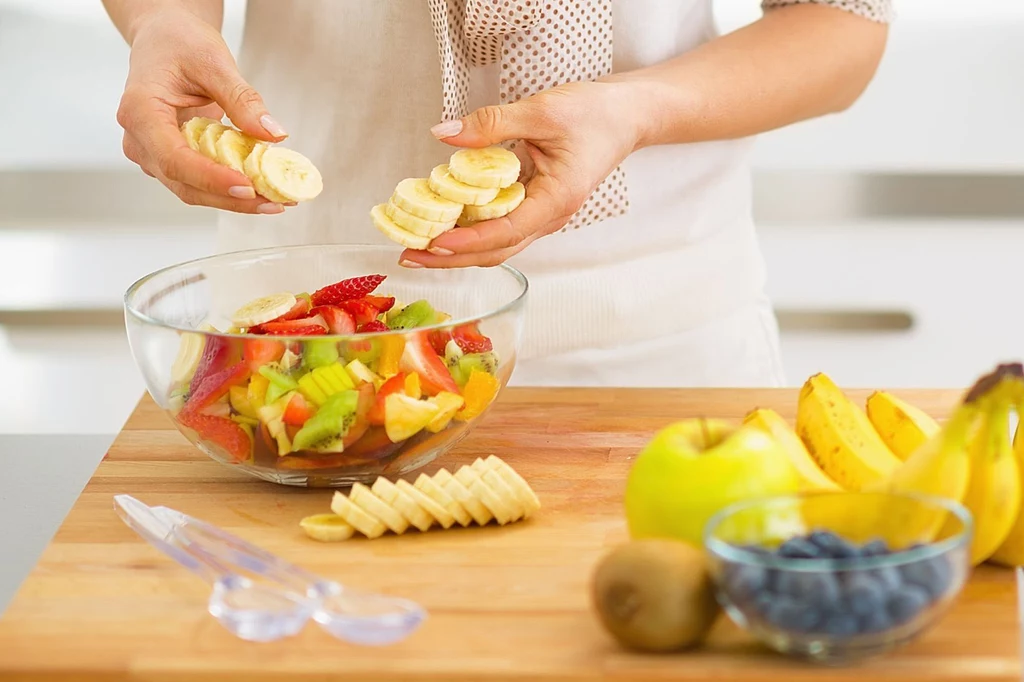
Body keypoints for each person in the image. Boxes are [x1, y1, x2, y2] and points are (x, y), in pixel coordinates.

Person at [101, 0, 891, 388]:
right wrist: (163, 22)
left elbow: (840, 23)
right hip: (303, 317)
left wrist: (635, 108)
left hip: (661, 336)